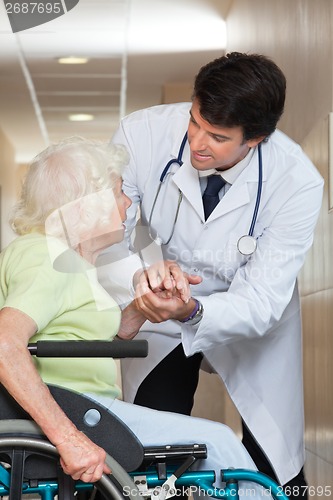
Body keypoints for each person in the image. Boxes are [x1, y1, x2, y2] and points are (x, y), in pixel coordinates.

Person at [99, 52, 324, 497]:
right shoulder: (140, 134)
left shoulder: (297, 182)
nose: (198, 142)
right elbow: (107, 236)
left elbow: (261, 299)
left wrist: (196, 308)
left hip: (251, 322)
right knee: (149, 448)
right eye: (195, 121)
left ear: (256, 139)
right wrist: (140, 284)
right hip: (160, 306)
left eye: (218, 136)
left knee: (274, 467)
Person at [0, 136, 268, 498]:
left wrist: (140, 310)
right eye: (117, 193)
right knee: (222, 446)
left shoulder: (52, 256)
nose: (127, 202)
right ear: (83, 208)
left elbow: (72, 339)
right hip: (82, 412)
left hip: (83, 405)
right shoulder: (48, 260)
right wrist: (68, 439)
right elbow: (5, 344)